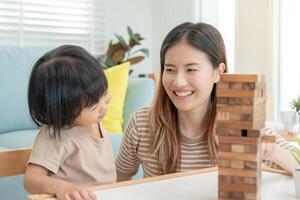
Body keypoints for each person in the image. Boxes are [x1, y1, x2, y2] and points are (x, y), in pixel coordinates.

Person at [115, 22, 298, 181]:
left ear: (218, 72)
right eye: (169, 69)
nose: (178, 82)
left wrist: (273, 152)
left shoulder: (242, 125)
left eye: (191, 70)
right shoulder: (141, 123)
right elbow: (120, 180)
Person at [24, 45, 115, 200]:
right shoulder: (56, 135)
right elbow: (30, 179)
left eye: (105, 93)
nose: (104, 106)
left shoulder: (93, 121)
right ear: (64, 109)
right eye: (93, 106)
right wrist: (59, 187)